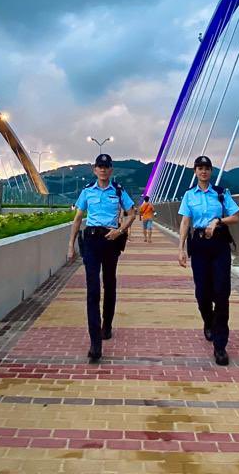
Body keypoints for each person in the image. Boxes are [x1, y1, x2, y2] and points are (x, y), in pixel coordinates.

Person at [67, 153, 137, 363]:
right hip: (91, 241)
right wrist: (70, 245)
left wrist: (120, 230)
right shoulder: (87, 191)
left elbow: (132, 213)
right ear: (94, 169)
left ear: (111, 170)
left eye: (106, 167)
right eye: (100, 166)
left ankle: (107, 325)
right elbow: (78, 218)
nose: (103, 170)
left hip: (110, 240)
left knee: (110, 284)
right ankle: (95, 342)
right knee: (92, 290)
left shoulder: (118, 191)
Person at [177, 155, 239, 366]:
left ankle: (220, 346)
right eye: (200, 168)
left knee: (222, 294)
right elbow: (186, 221)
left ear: (211, 171)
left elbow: (236, 217)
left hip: (219, 244)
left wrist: (217, 220)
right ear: (195, 171)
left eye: (207, 168)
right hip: (199, 245)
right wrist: (181, 249)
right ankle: (208, 321)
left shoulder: (221, 193)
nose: (203, 171)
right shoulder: (189, 195)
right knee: (202, 293)